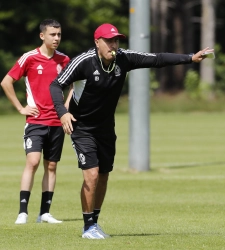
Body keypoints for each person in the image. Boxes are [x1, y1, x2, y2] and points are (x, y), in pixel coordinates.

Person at [49, 23, 214, 239]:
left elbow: (156, 59)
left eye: (116, 40)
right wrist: (62, 112)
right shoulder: (84, 61)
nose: (113, 44)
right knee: (91, 175)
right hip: (82, 127)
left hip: (106, 128)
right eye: (109, 41)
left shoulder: (123, 58)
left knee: (104, 176)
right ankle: (88, 227)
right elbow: (55, 85)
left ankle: (95, 223)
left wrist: (189, 57)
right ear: (97, 42)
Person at [0, 19, 71, 224]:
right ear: (42, 36)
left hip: (57, 122)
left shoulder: (64, 60)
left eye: (59, 34)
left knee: (51, 166)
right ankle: (23, 212)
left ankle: (45, 213)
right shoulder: (29, 58)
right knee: (33, 162)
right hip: (36, 121)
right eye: (52, 34)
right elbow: (6, 82)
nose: (56, 38)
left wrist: (66, 106)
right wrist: (21, 108)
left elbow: (76, 83)